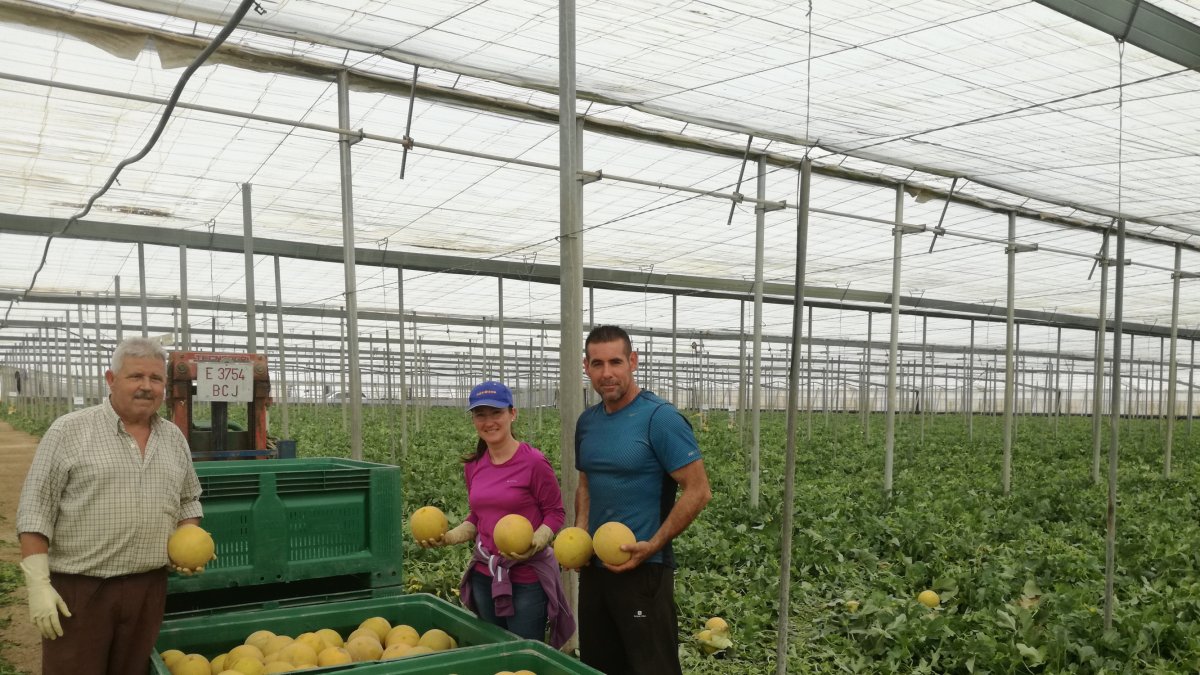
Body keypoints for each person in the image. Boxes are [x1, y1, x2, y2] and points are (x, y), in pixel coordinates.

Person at [16, 336, 205, 675]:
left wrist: (187, 540)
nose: (146, 387)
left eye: (156, 378)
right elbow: (35, 511)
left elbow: (189, 499)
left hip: (148, 588)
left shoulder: (174, 438)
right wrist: (38, 584)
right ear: (111, 379)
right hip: (81, 591)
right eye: (136, 376)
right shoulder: (69, 431)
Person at [574, 325, 712, 675]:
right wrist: (578, 535)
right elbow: (586, 485)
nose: (607, 373)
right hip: (595, 571)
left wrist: (653, 544)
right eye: (598, 363)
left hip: (643, 573)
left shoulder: (659, 418)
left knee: (651, 667)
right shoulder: (587, 422)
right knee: (599, 664)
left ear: (633, 362)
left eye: (616, 362)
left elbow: (698, 490)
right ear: (586, 366)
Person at [419, 380, 575, 647]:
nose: (489, 421)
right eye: (481, 414)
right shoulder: (475, 466)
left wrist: (536, 541)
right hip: (484, 575)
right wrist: (449, 537)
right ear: (473, 420)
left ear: (512, 414)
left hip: (526, 579)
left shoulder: (534, 462)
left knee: (523, 651)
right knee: (493, 650)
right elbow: (477, 518)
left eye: (496, 413)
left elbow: (555, 513)